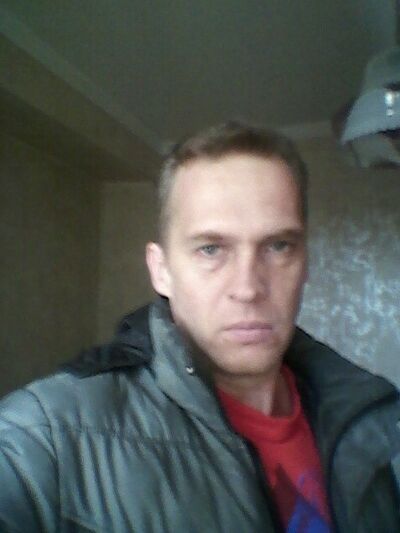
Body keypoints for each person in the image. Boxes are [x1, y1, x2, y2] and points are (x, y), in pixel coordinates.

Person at [0, 122, 399, 532]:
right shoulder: (46, 437)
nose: (248, 288)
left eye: (278, 246)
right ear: (161, 270)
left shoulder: (368, 422)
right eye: (211, 249)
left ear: (305, 263)